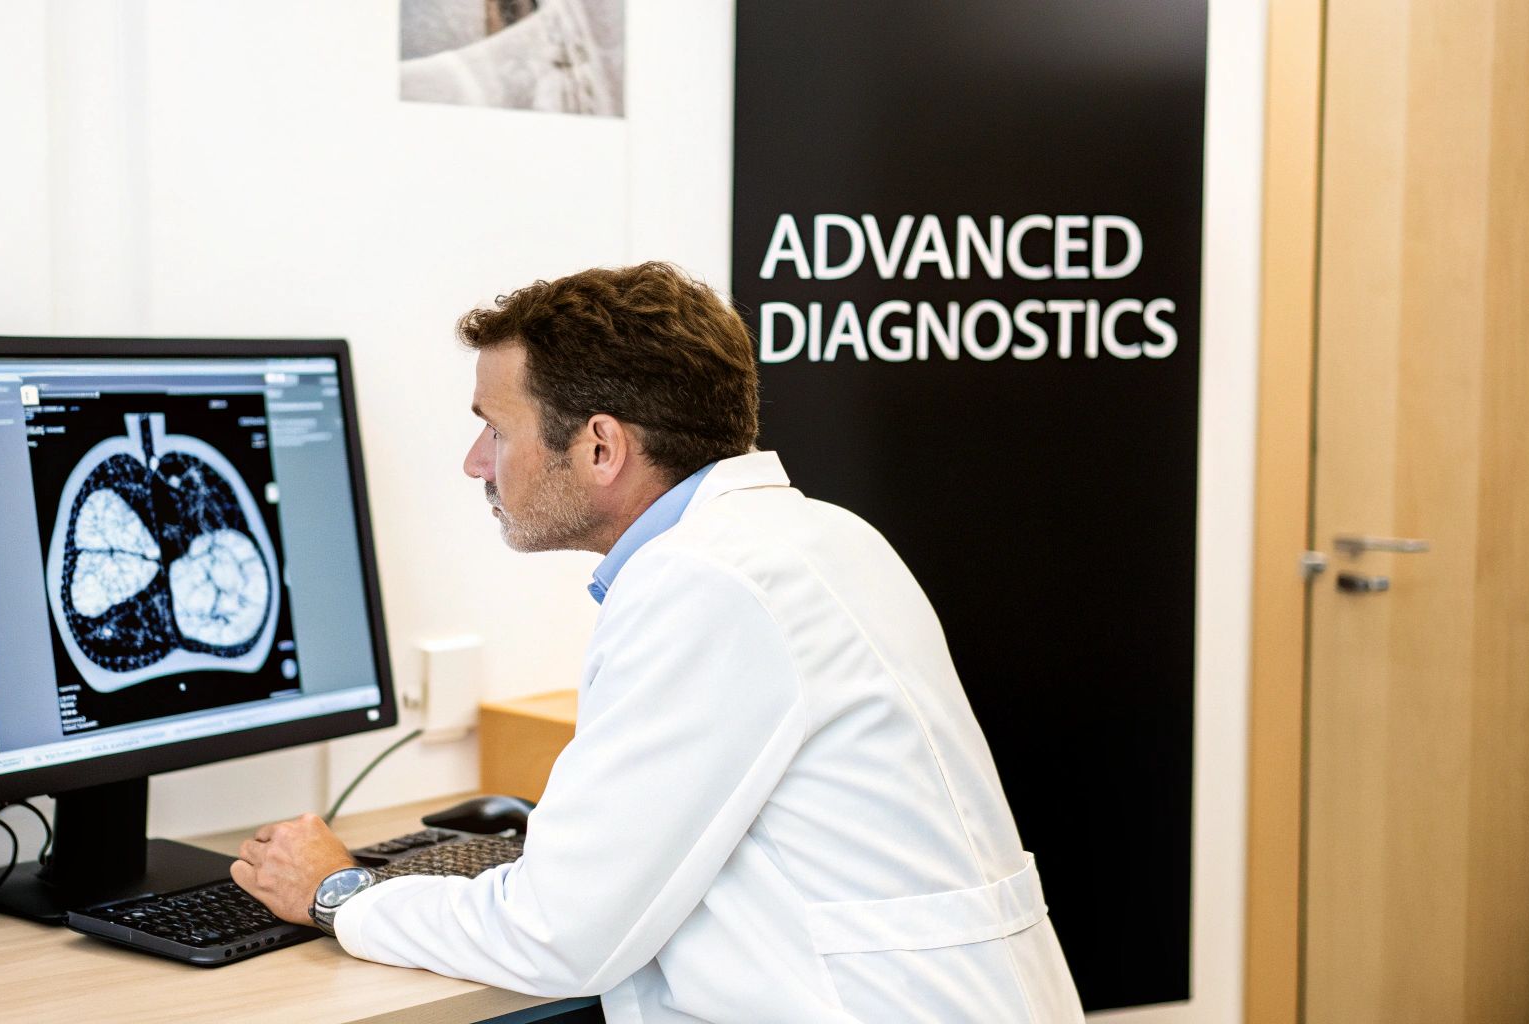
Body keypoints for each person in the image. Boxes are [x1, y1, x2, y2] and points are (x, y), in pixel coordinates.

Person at [232, 262, 1084, 1022]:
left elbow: (558, 937)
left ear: (601, 446)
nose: (475, 463)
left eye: (496, 429)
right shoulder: (819, 536)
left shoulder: (704, 583)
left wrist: (339, 893)